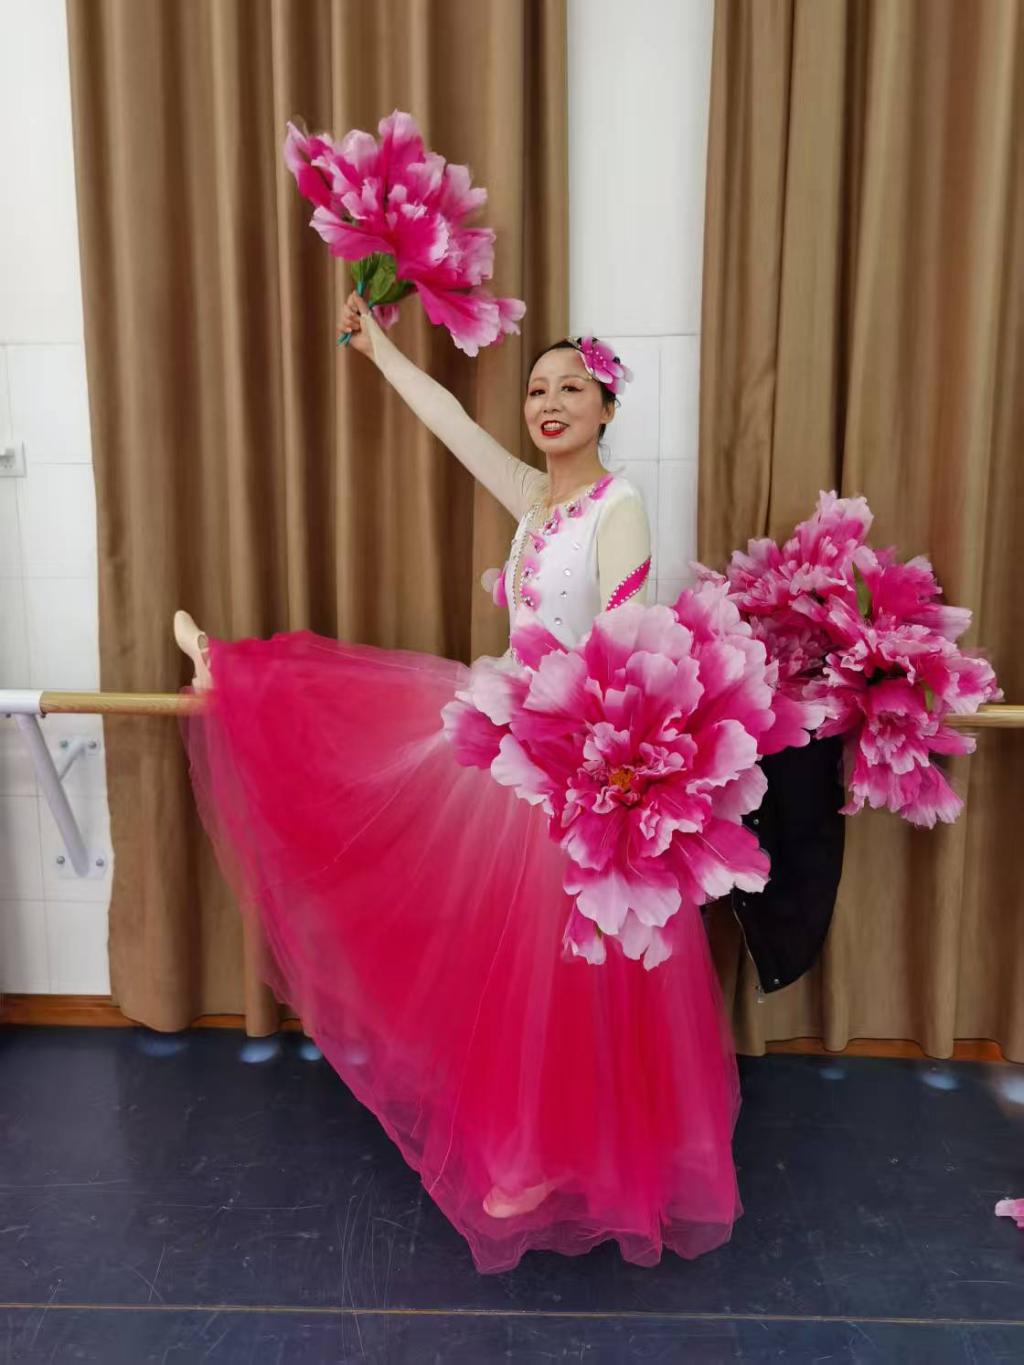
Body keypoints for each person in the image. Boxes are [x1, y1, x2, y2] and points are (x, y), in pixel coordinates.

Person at [174, 293, 742, 1273]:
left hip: (573, 766)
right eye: (537, 389)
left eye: (571, 388)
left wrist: (591, 764)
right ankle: (232, 674)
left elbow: (625, 640)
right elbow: (448, 422)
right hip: (509, 745)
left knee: (565, 978)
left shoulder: (619, 505)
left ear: (607, 408)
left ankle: (548, 1154)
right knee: (503, 959)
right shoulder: (533, 502)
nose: (548, 402)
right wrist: (380, 352)